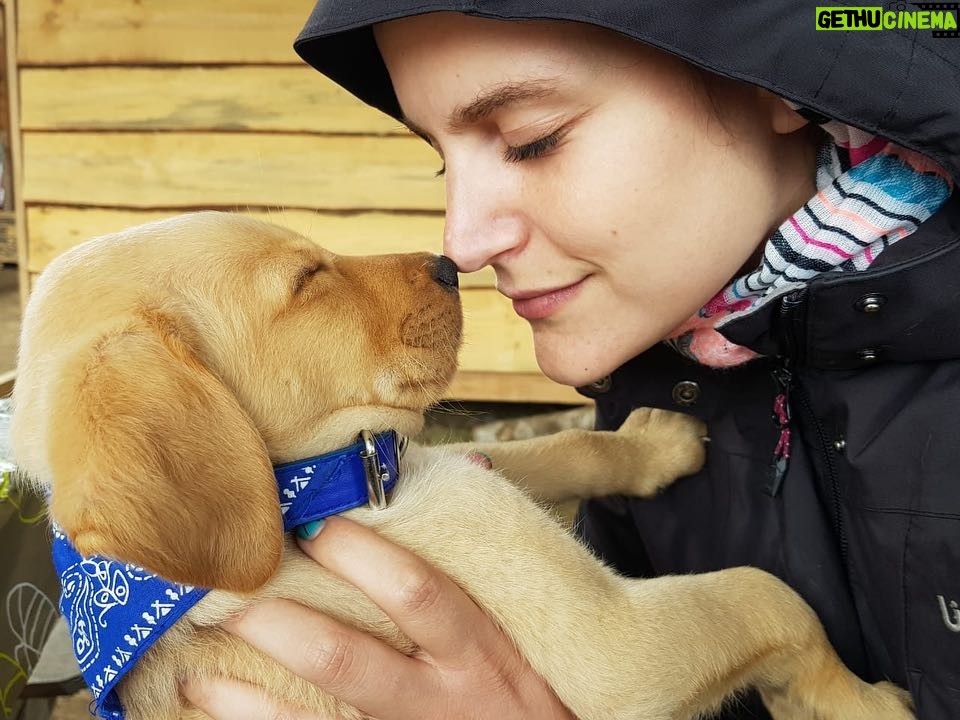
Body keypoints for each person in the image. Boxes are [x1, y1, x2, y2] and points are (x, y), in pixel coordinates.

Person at [181, 3, 960, 719]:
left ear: (784, 82)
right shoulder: (672, 377)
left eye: (532, 138)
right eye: (443, 162)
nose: (463, 243)